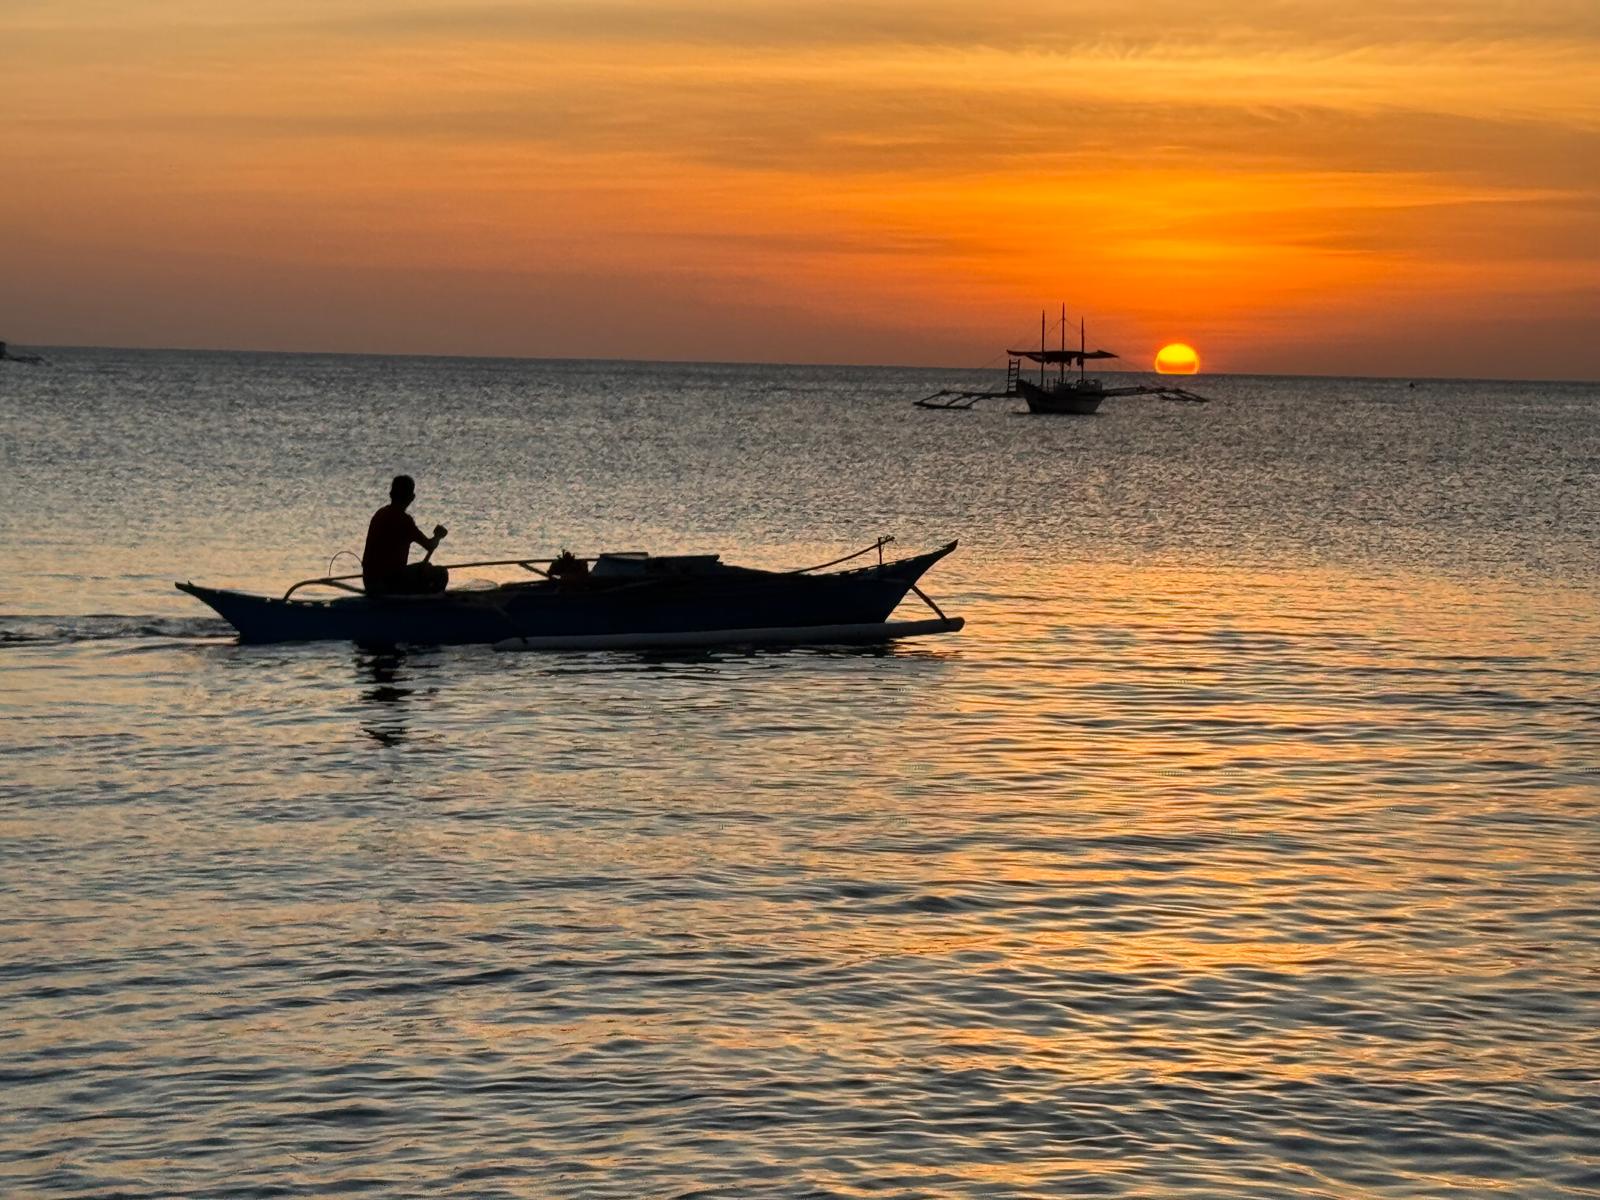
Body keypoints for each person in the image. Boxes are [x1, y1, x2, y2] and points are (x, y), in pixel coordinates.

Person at [363, 475, 449, 596]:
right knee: (441, 573)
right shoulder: (404, 521)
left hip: (369, 582)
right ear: (411, 498)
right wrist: (438, 536)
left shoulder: (379, 514)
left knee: (425, 567)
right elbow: (430, 546)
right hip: (389, 583)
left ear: (391, 494)